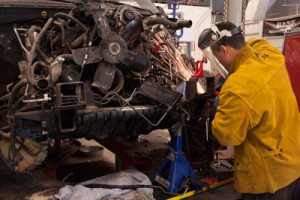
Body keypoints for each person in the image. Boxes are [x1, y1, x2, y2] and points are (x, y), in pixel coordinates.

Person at [198, 22, 300, 200]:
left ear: (224, 49)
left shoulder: (238, 86)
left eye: (217, 57)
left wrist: (219, 110)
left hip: (267, 181)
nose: (218, 63)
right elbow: (254, 44)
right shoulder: (271, 55)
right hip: (294, 164)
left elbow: (226, 136)